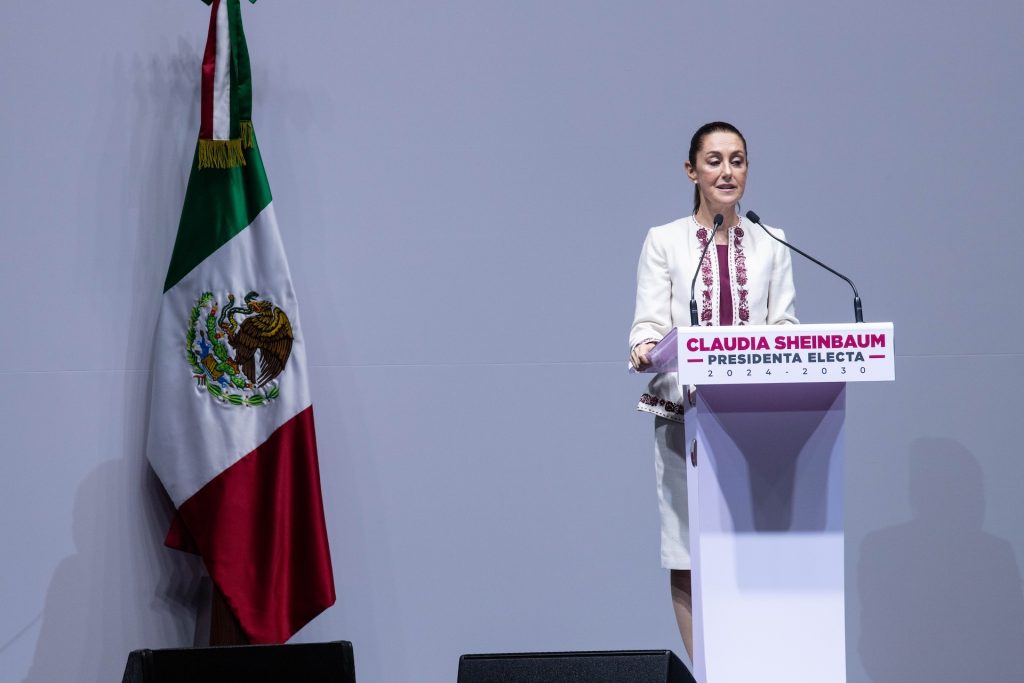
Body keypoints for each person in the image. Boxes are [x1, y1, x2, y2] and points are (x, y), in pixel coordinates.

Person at [627, 121, 798, 659]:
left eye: (738, 160)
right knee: (687, 555)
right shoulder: (665, 240)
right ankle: (709, 672)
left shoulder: (773, 242)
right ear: (691, 170)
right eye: (715, 160)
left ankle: (756, 665)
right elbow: (648, 326)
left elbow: (786, 328)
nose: (728, 171)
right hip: (685, 419)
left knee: (753, 552)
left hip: (754, 422)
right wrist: (645, 348)